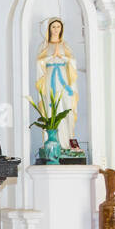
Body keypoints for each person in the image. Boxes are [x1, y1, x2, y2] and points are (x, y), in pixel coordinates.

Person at [35, 17, 78, 146]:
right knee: (51, 107)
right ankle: (52, 142)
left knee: (66, 106)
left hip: (64, 78)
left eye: (58, 27)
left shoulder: (65, 46)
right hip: (50, 78)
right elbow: (38, 63)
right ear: (49, 28)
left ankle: (67, 143)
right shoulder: (44, 45)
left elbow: (73, 63)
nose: (56, 29)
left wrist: (63, 57)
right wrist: (50, 58)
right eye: (53, 27)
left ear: (61, 29)